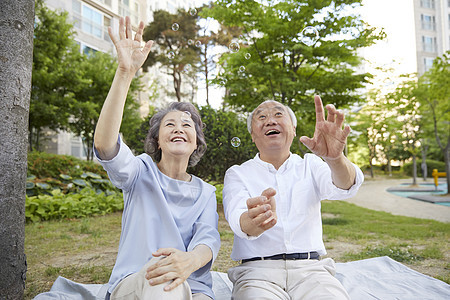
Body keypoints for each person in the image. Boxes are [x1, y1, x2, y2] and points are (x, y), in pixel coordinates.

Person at [94, 16, 220, 300]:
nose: (179, 128)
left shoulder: (205, 193)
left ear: (196, 141)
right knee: (161, 281)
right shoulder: (139, 172)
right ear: (157, 140)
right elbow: (105, 144)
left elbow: (208, 239)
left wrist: (190, 261)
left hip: (193, 287)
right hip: (137, 284)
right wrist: (125, 73)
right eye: (170, 125)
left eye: (187, 125)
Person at [222, 96, 364, 299]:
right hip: (257, 273)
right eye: (261, 117)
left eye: (278, 114)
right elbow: (238, 220)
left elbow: (345, 186)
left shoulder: (311, 165)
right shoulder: (237, 173)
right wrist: (255, 220)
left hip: (312, 271)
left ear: (294, 129)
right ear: (252, 135)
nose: (270, 120)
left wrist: (335, 159)